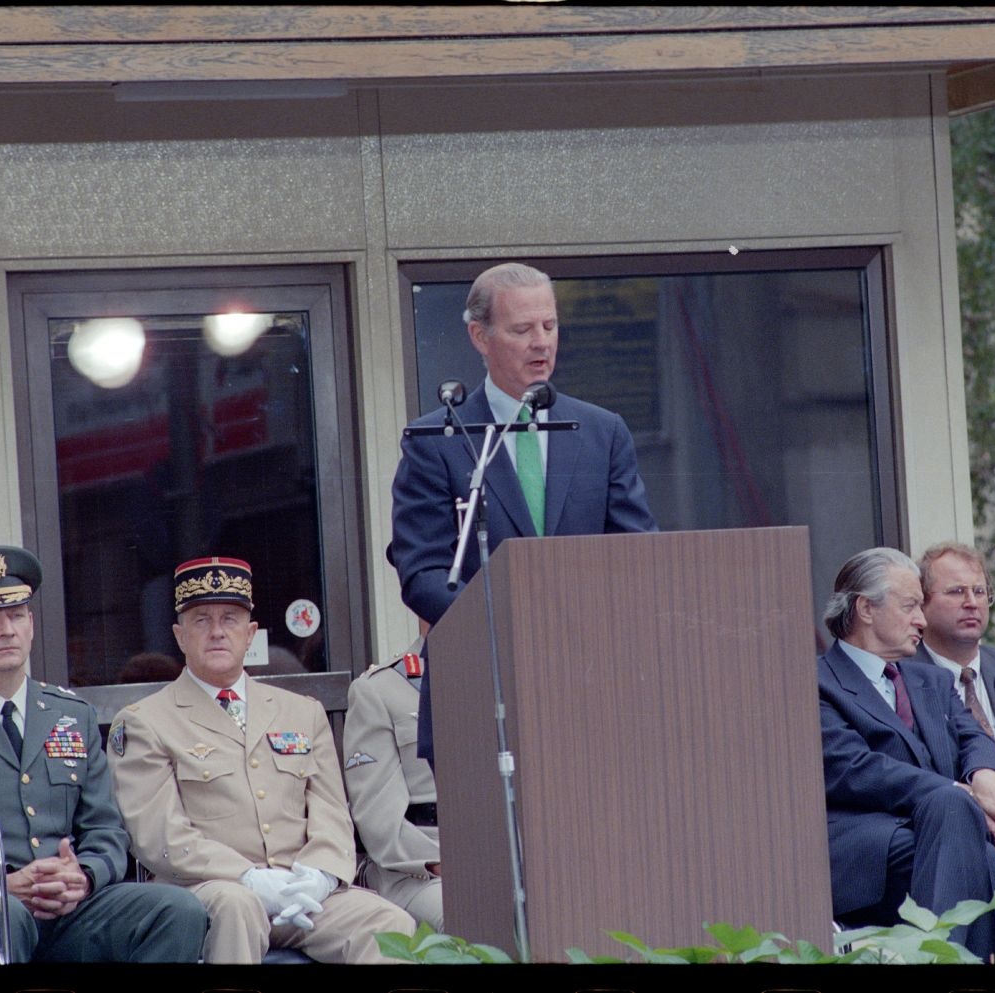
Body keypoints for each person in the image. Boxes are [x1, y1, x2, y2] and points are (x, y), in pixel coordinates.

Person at [0, 545, 207, 963]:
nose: (7, 630)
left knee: (177, 911)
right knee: (2, 915)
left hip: (69, 914)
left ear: (31, 624)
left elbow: (107, 832)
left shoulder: (74, 715)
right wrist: (1, 885)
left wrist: (83, 877)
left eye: (16, 615)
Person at [388, 262, 658, 759]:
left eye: (549, 326)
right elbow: (422, 572)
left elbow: (635, 555)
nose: (541, 342)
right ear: (479, 336)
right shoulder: (438, 440)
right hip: (480, 686)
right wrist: (511, 631)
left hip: (592, 684)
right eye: (522, 329)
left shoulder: (602, 432)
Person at [109, 556, 415, 964]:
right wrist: (247, 876)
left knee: (389, 924)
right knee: (239, 906)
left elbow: (331, 811)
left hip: (300, 891)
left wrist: (321, 875)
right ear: (179, 636)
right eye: (201, 620)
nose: (217, 632)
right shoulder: (145, 721)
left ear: (250, 633)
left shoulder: (302, 712)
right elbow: (159, 834)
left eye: (230, 619)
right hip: (212, 889)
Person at [818, 547, 995, 962]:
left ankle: (939, 958)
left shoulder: (931, 680)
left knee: (984, 854)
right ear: (866, 608)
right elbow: (852, 768)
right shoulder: (818, 682)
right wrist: (960, 794)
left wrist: (985, 779)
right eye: (910, 607)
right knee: (987, 862)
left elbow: (974, 739)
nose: (921, 621)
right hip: (871, 848)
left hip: (944, 837)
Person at [343, 637, 444, 931]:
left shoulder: (503, 673)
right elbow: (377, 819)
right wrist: (440, 862)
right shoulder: (380, 688)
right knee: (476, 917)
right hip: (417, 871)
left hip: (503, 858)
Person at [915, 542, 995, 746]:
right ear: (922, 602)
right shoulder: (902, 678)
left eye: (979, 591)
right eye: (956, 591)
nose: (972, 602)